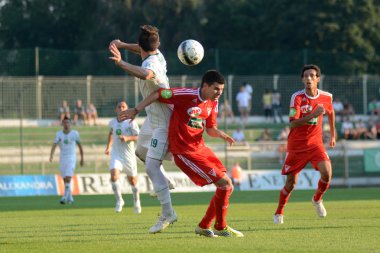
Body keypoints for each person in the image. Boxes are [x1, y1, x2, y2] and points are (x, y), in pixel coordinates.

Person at [119, 70, 244, 238]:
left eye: (221, 89)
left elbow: (210, 128)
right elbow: (158, 93)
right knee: (225, 184)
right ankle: (219, 227)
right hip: (184, 152)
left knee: (228, 186)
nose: (219, 93)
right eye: (216, 89)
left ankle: (205, 225)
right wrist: (136, 109)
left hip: (201, 149)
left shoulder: (213, 102)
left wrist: (221, 134)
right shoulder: (186, 94)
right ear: (205, 85)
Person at [109, 25, 176, 234]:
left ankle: (168, 213)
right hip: (152, 117)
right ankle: (167, 181)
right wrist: (121, 45)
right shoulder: (156, 53)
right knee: (140, 152)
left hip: (163, 120)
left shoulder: (152, 62)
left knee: (151, 167)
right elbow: (140, 50)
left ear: (141, 46)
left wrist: (121, 62)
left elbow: (146, 74)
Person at [273, 64, 336, 224]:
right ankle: (279, 212)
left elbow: (331, 112)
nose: (308, 78)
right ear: (302, 79)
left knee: (327, 172)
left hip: (316, 144)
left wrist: (333, 135)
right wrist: (313, 114)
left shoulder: (326, 97)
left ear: (318, 79)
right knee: (291, 183)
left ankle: (317, 199)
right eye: (306, 76)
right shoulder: (297, 98)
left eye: (312, 75)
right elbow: (293, 124)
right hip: (296, 146)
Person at [105, 101, 142, 214]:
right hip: (116, 155)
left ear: (127, 109)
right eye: (119, 107)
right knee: (114, 176)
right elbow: (111, 133)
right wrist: (108, 147)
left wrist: (127, 138)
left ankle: (136, 201)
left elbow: (138, 136)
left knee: (133, 181)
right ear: (116, 110)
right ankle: (119, 200)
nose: (121, 108)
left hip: (129, 157)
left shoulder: (131, 122)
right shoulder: (112, 122)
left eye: (123, 107)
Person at [49, 116, 84, 204]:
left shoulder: (75, 134)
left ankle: (64, 197)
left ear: (70, 123)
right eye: (64, 122)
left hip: (71, 158)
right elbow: (54, 144)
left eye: (68, 122)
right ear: (62, 124)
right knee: (65, 179)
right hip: (62, 159)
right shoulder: (59, 134)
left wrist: (82, 158)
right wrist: (51, 155)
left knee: (68, 178)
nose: (66, 124)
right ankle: (70, 198)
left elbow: (80, 146)